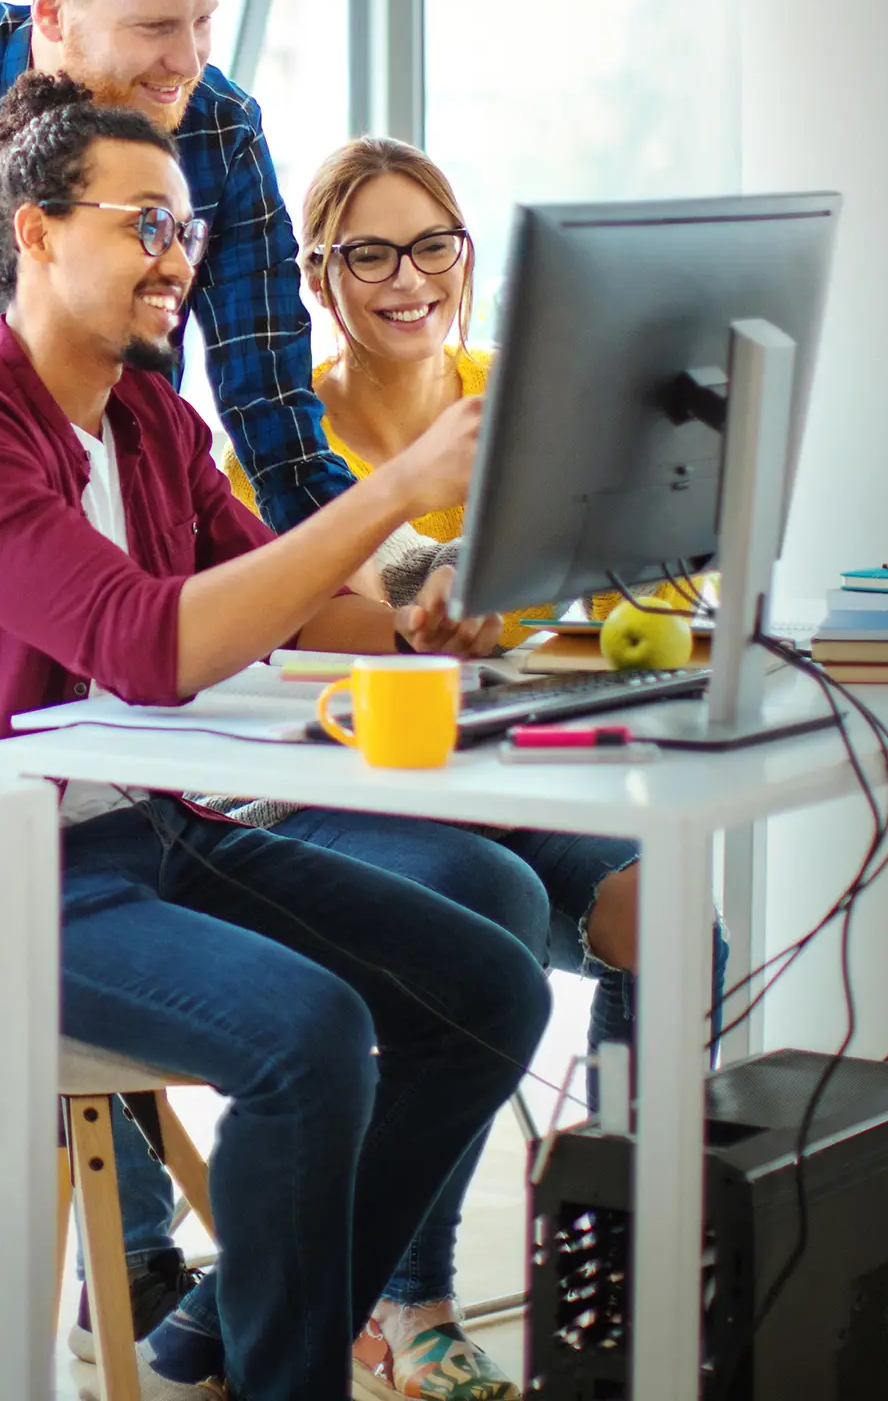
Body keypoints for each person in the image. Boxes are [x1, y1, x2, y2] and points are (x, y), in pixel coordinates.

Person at [0, 0, 549, 1392]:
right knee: (310, 1030)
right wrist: (399, 492)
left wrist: (428, 613)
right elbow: (143, 636)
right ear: (39, 233)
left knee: (493, 984)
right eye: (146, 227)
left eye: (185, 229)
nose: (179, 256)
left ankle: (235, 1324)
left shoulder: (148, 420)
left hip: (144, 817)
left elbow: (263, 530)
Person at [224, 136, 731, 1221]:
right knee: (477, 918)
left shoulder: (520, 394)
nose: (410, 280)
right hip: (350, 792)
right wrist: (435, 612)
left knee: (672, 909)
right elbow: (299, 614)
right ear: (315, 276)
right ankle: (411, 1295)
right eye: (369, 256)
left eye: (432, 246)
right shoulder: (277, 437)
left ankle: (616, 1231)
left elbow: (622, 562)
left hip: (504, 775)